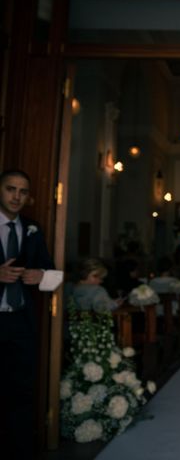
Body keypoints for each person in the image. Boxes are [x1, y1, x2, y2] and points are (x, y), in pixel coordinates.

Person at [0, 169, 55, 459]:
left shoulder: (33, 229)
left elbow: (53, 272)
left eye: (22, 192)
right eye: (10, 189)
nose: (16, 197)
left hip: (21, 322)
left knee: (21, 393)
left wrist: (40, 274)